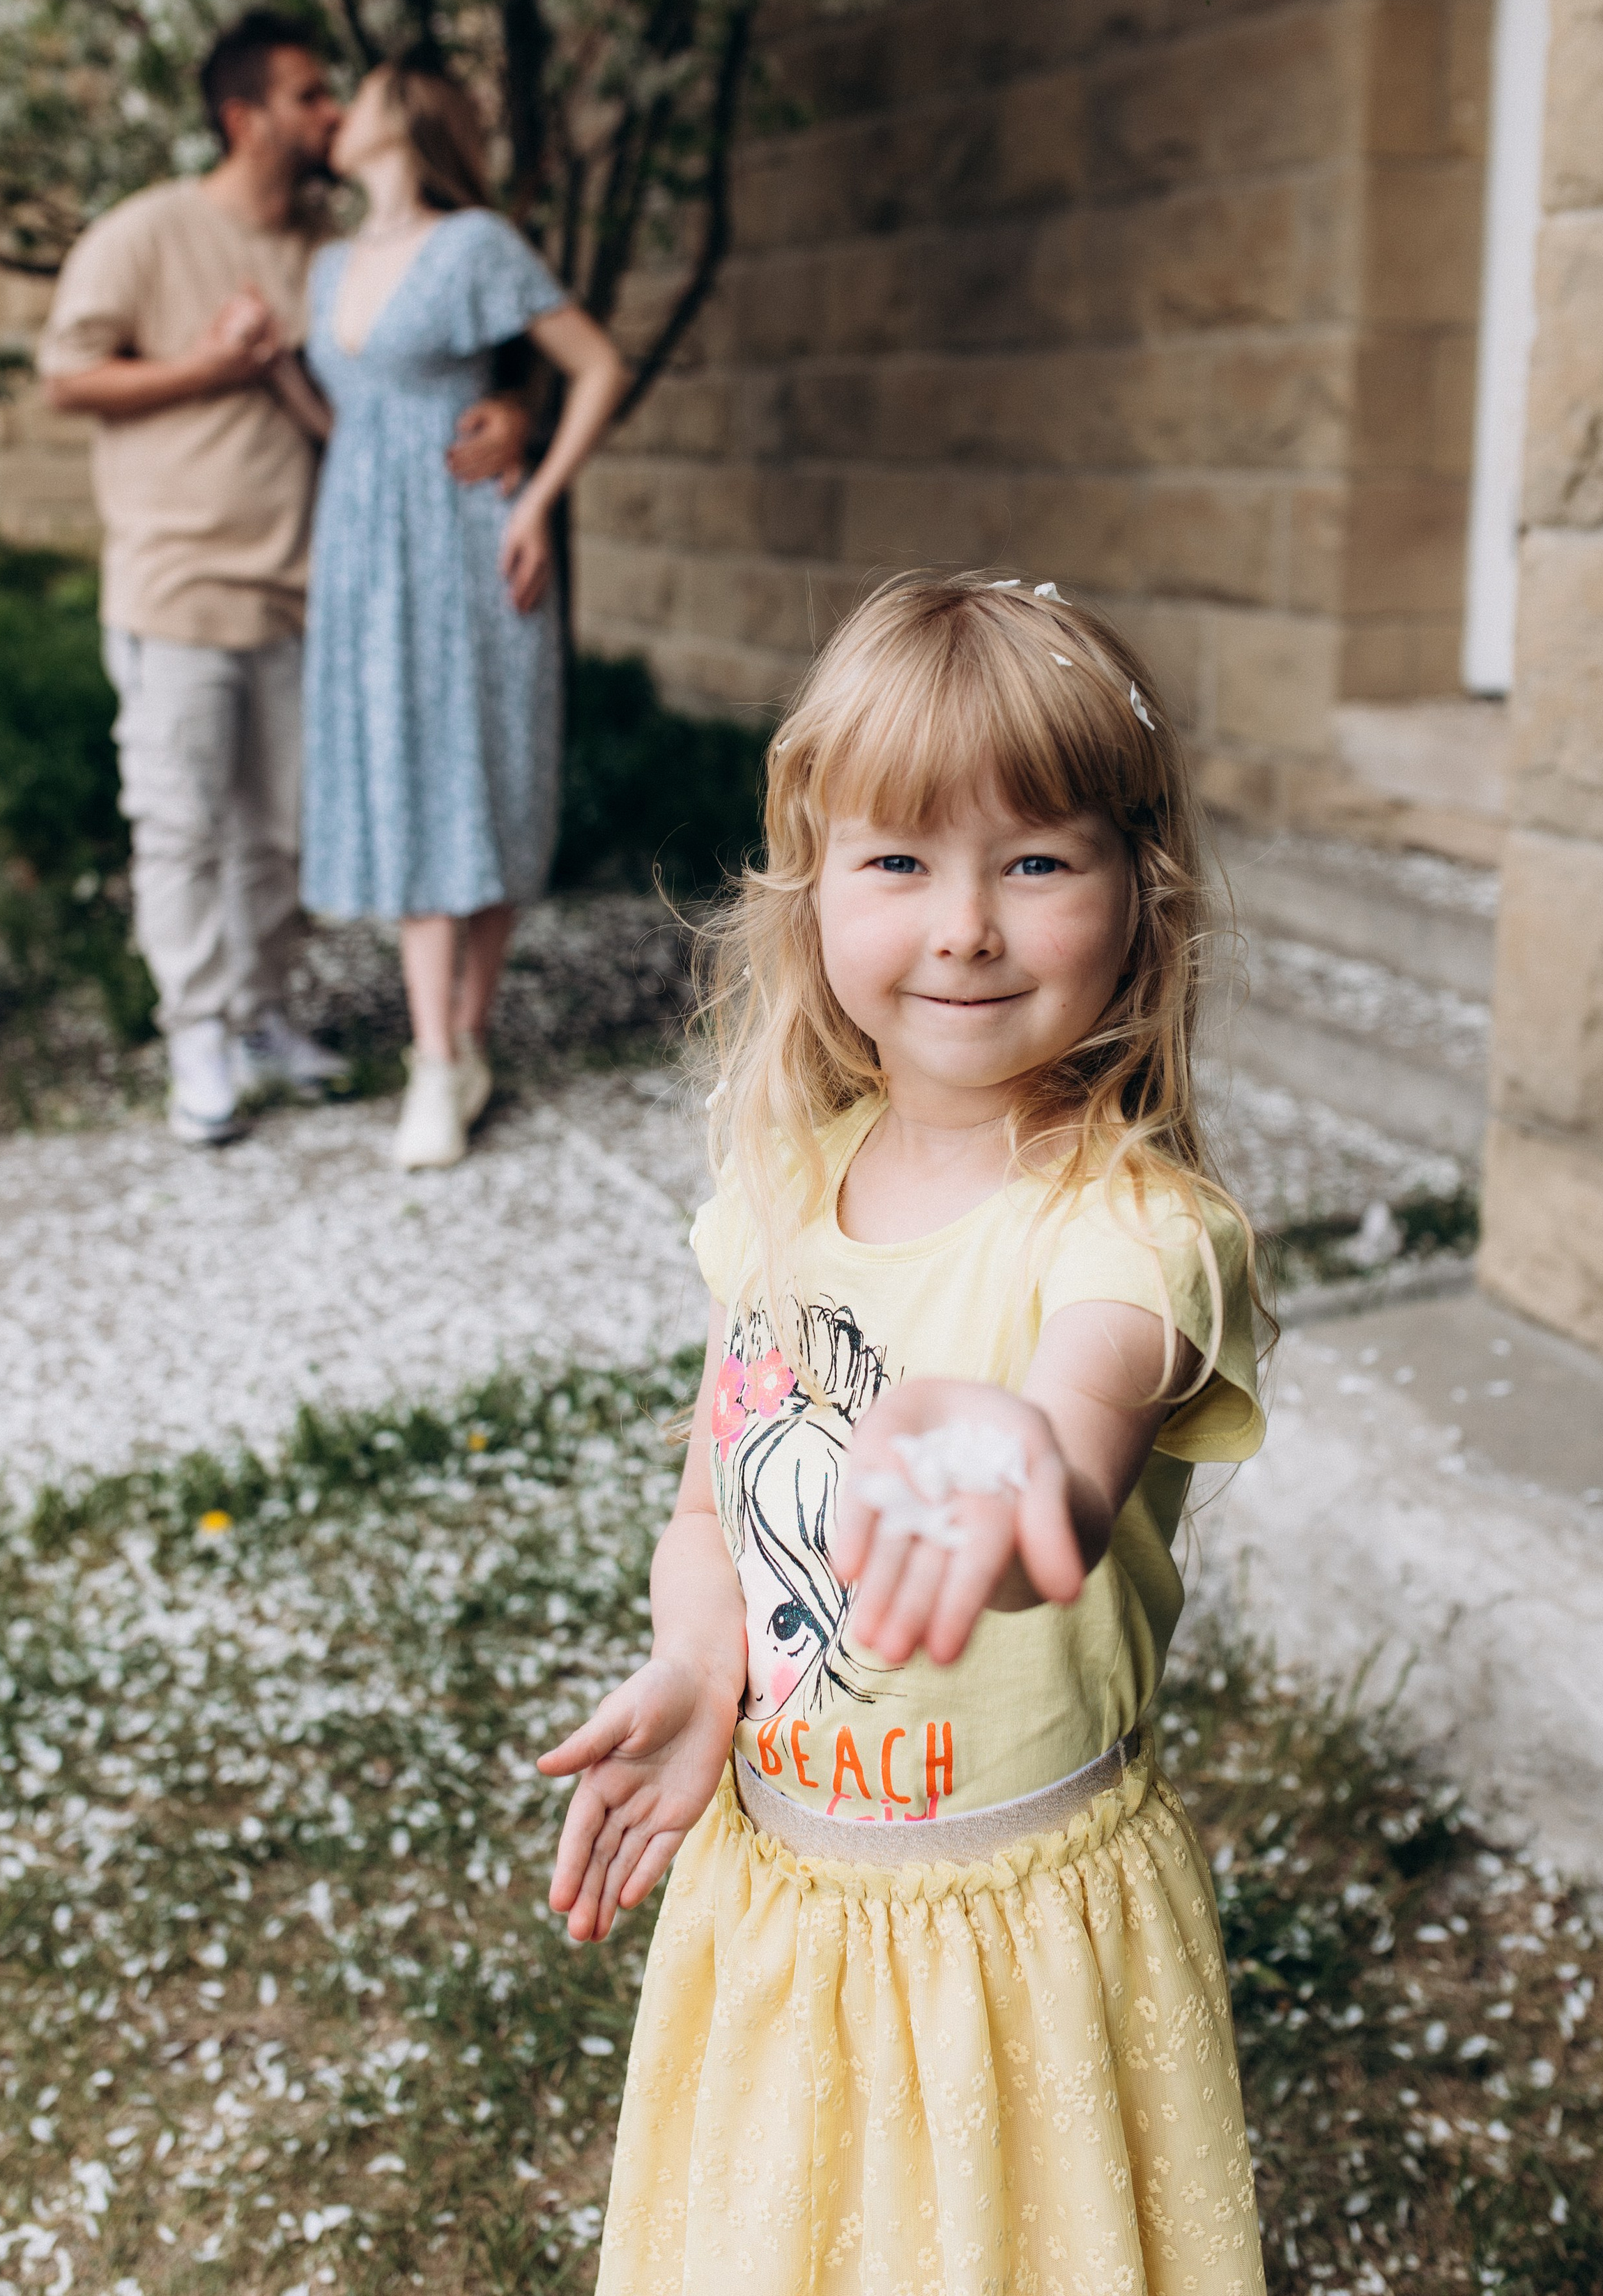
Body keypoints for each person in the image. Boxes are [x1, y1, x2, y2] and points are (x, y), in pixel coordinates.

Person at [540, 573, 1269, 2295]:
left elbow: (1076, 1446)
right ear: (808, 893)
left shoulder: (1133, 1230)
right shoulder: (782, 1193)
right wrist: (692, 1662)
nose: (961, 925)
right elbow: (714, 1502)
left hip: (1013, 1931)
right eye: (897, 861)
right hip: (780, 1893)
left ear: (1135, 896)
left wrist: (1020, 1459)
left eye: (1033, 859)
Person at [40, 12, 529, 1145]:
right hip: (178, 584)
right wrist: (208, 366)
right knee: (180, 822)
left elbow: (414, 375)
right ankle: (197, 1032)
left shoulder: (328, 247)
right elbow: (67, 378)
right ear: (243, 116)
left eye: (333, 98)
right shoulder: (147, 233)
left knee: (281, 832)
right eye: (309, 96)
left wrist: (514, 414)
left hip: (313, 584)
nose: (328, 114)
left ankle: (259, 1013)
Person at [275, 52, 627, 1172]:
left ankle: (458, 1044)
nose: (340, 108)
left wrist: (540, 504)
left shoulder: (474, 245)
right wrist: (265, 371)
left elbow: (599, 366)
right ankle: (440, 1055)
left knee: (487, 779)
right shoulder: (328, 267)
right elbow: (353, 418)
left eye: (360, 91)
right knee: (406, 779)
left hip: (473, 540)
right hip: (365, 553)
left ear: (405, 117)